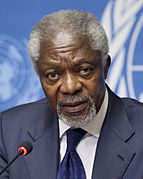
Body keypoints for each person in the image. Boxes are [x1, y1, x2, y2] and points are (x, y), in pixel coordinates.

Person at [0, 10, 143, 179]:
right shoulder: (9, 131)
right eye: (53, 75)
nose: (70, 87)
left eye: (84, 70)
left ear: (105, 67)